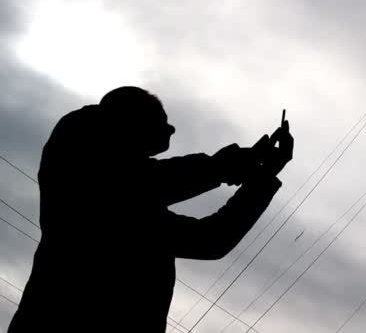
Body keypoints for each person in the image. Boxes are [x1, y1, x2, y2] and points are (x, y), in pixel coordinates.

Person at [8, 86, 293, 332]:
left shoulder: (130, 207)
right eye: (157, 133)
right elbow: (151, 181)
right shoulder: (87, 164)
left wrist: (258, 175)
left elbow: (210, 239)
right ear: (127, 124)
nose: (152, 156)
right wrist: (230, 168)